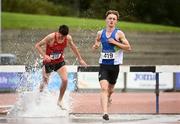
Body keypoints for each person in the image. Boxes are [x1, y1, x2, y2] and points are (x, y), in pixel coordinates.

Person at [35, 25, 87, 109]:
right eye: (60, 36)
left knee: (65, 80)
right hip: (48, 62)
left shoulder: (68, 38)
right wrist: (44, 56)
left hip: (59, 62)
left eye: (63, 37)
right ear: (58, 32)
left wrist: (80, 59)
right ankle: (39, 97)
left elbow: (73, 47)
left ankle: (59, 100)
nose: (61, 38)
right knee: (45, 81)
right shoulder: (51, 37)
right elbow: (37, 45)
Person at [92, 10, 132, 120]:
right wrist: (95, 45)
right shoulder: (100, 33)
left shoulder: (119, 33)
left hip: (114, 67)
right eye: (110, 18)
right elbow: (96, 42)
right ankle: (105, 113)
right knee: (104, 88)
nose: (111, 20)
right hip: (103, 65)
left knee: (110, 90)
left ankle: (109, 97)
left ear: (116, 21)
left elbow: (128, 47)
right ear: (106, 20)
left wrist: (115, 42)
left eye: (114, 19)